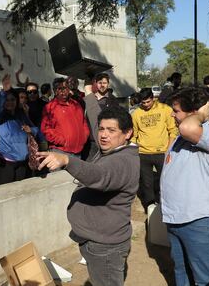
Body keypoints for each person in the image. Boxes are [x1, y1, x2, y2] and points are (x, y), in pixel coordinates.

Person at [37, 92, 139, 286]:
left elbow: (98, 176)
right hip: (97, 241)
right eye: (101, 129)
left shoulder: (122, 161)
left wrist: (67, 160)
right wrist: (91, 95)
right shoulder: (110, 151)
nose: (103, 135)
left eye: (111, 130)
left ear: (127, 133)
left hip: (105, 246)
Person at [161, 87, 209, 286]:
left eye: (176, 110)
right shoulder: (180, 138)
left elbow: (188, 127)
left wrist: (202, 111)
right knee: (181, 272)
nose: (172, 113)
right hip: (176, 220)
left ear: (193, 112)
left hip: (199, 221)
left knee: (204, 279)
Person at [131, 88, 178, 209]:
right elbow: (134, 135)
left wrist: (168, 150)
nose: (146, 105)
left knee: (166, 181)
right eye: (143, 103)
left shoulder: (165, 109)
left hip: (162, 152)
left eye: (148, 102)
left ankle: (167, 205)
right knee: (147, 183)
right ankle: (150, 206)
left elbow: (173, 131)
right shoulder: (136, 114)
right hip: (143, 153)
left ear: (153, 98)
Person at [0, 75, 38, 185]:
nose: (10, 102)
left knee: (20, 191)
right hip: (6, 162)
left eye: (12, 99)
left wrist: (30, 130)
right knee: (5, 193)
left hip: (22, 162)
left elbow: (36, 129)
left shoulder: (21, 115)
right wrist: (4, 91)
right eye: (7, 100)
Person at [41, 77, 89, 157]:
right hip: (60, 152)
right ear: (54, 91)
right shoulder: (50, 107)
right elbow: (46, 129)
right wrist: (63, 141)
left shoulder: (76, 104)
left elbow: (83, 122)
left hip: (78, 151)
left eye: (65, 88)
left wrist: (84, 137)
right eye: (60, 88)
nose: (63, 91)